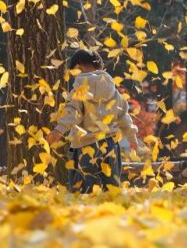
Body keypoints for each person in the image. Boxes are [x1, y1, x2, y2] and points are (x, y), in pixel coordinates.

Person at [47, 49, 141, 192]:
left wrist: (58, 131)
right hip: (110, 144)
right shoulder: (113, 91)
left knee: (82, 187)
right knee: (112, 186)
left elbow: (72, 112)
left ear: (78, 68)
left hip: (85, 145)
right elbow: (123, 115)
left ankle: (82, 212)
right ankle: (113, 211)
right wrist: (132, 138)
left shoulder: (79, 90)